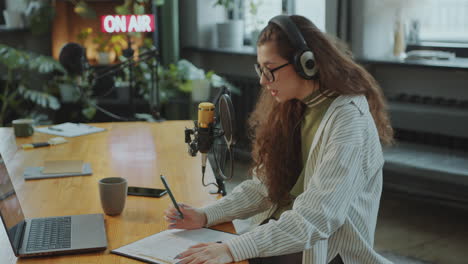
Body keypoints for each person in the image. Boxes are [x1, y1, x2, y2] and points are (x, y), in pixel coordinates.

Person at [164, 14, 394, 264]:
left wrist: (232, 249)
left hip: (323, 250)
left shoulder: (349, 121)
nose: (263, 80)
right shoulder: (294, 106)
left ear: (307, 63)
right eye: (260, 69)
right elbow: (263, 186)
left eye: (270, 70)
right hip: (286, 232)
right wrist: (205, 215)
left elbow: (314, 220)